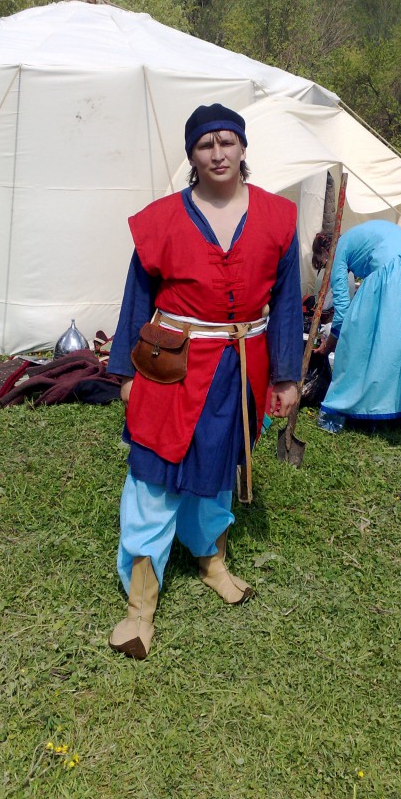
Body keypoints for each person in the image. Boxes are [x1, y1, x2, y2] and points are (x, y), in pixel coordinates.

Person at [106, 103, 303, 659]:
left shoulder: (278, 217)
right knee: (154, 475)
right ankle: (140, 605)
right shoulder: (162, 219)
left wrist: (286, 377)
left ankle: (211, 559)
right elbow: (137, 297)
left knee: (220, 467)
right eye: (204, 145)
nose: (218, 153)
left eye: (227, 141)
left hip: (242, 365)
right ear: (192, 156)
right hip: (172, 367)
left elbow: (286, 303)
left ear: (242, 147)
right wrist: (125, 372)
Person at [314, 219, 401, 431]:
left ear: (325, 252)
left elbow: (342, 312)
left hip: (395, 266)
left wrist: (328, 347)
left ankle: (337, 411)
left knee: (361, 340)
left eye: (323, 264)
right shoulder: (355, 236)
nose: (328, 268)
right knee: (400, 342)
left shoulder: (338, 250)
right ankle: (396, 410)